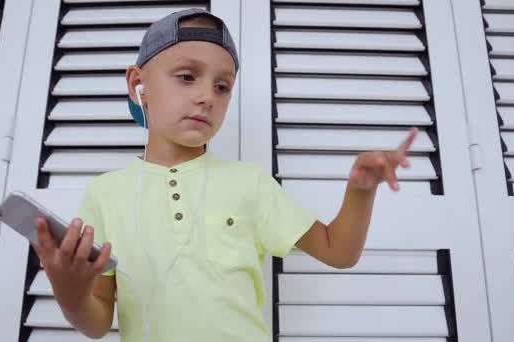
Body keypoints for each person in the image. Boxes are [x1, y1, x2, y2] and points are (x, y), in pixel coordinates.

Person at [31, 8, 418, 342]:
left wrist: (361, 191)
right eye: (187, 77)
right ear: (138, 85)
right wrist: (70, 294)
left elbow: (339, 251)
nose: (207, 97)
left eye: (222, 86)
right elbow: (97, 321)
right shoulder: (105, 193)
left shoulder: (249, 183)